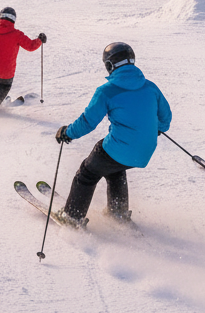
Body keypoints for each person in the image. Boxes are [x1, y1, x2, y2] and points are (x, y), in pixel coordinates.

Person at [54, 43, 171, 226]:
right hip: (144, 151)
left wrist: (68, 133)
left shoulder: (106, 91)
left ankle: (72, 217)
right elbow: (166, 117)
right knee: (114, 168)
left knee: (88, 172)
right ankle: (118, 212)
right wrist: (157, 128)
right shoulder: (150, 87)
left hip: (121, 148)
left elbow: (88, 122)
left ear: (110, 65)